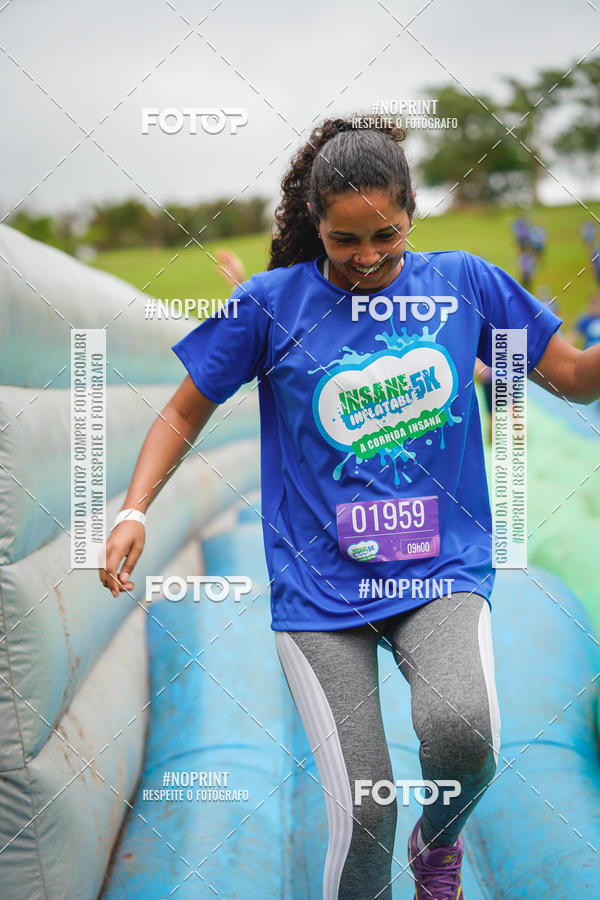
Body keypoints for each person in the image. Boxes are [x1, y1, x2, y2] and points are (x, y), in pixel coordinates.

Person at [98, 116, 600, 900]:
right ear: (316, 225)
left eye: (387, 237)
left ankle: (437, 848)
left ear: (410, 215)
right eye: (344, 241)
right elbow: (181, 411)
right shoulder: (270, 305)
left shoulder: (465, 284)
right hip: (320, 591)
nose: (367, 259)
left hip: (439, 569)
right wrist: (132, 510)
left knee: (463, 736)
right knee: (365, 806)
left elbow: (572, 377)